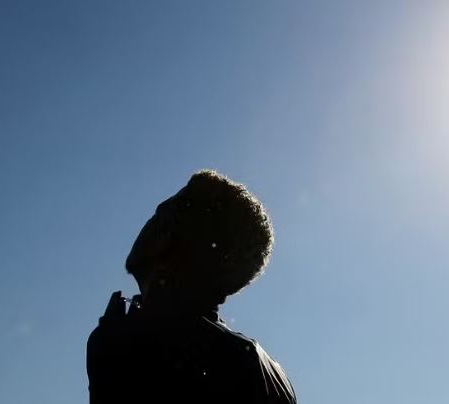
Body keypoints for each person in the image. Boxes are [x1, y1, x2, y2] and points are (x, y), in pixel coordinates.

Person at [87, 170, 296, 404]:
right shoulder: (257, 366)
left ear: (168, 237)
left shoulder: (139, 348)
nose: (147, 225)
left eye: (159, 215)